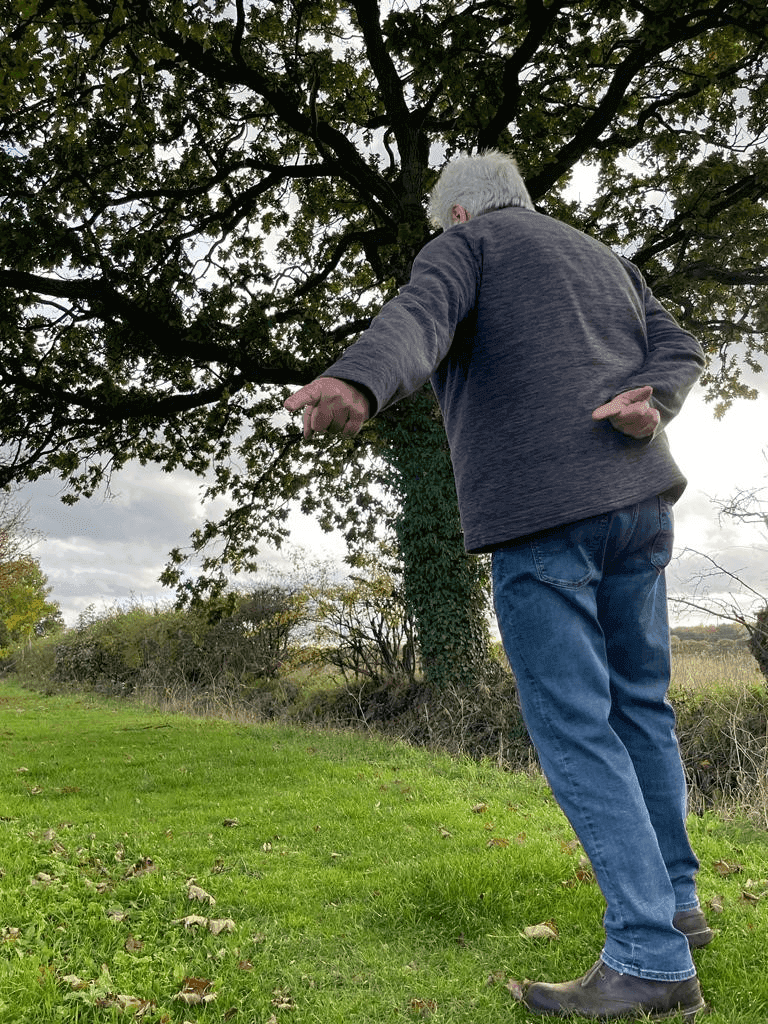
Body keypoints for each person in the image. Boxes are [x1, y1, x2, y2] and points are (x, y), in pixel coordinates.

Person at [284, 150, 710, 1020]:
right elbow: (680, 344)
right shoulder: (606, 258)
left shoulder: (470, 250)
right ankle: (678, 904)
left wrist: (359, 378)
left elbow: (420, 316)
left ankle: (649, 958)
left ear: (461, 217)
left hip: (543, 511)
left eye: (444, 228)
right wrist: (655, 399)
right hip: (638, 506)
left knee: (576, 728)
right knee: (640, 709)